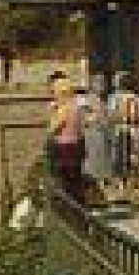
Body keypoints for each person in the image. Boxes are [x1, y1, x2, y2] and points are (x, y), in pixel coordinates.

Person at [107, 71, 139, 202]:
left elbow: (112, 116)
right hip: (137, 131)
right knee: (134, 161)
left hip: (122, 130)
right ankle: (132, 189)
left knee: (121, 161)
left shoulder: (115, 98)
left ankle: (122, 190)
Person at [47, 71, 86, 202]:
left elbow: (53, 128)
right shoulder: (76, 106)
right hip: (77, 145)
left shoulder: (64, 108)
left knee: (66, 184)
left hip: (64, 148)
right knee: (75, 181)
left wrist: (52, 112)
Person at [79, 77, 115, 205]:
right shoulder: (85, 100)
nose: (102, 86)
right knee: (92, 168)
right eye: (99, 83)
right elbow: (83, 119)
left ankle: (99, 196)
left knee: (101, 168)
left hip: (101, 137)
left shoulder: (102, 101)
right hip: (91, 137)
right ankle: (93, 196)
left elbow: (107, 120)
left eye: (103, 83)